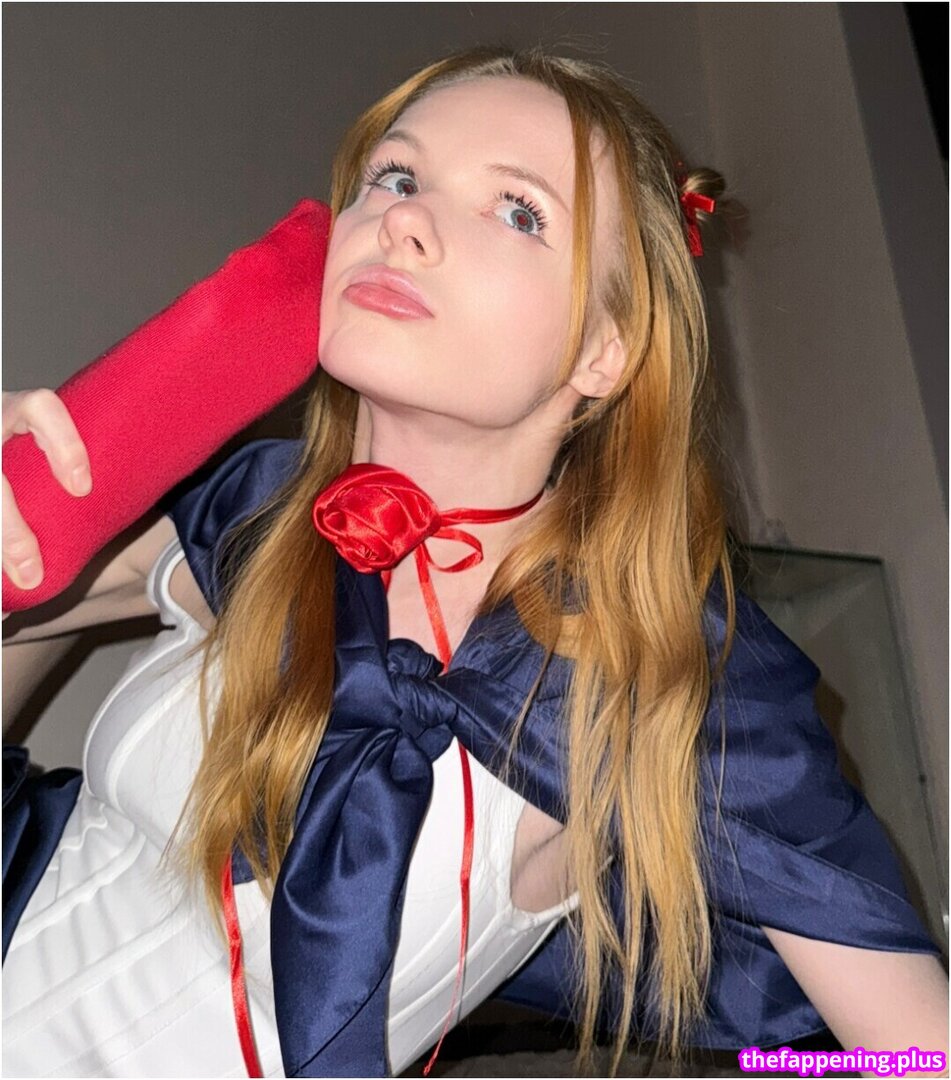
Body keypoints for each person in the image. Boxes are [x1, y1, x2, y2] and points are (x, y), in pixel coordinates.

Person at [2, 45, 948, 1080]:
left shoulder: (660, 677)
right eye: (396, 176)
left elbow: (914, 1057)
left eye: (518, 210)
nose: (403, 221)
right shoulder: (246, 513)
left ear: (604, 350)